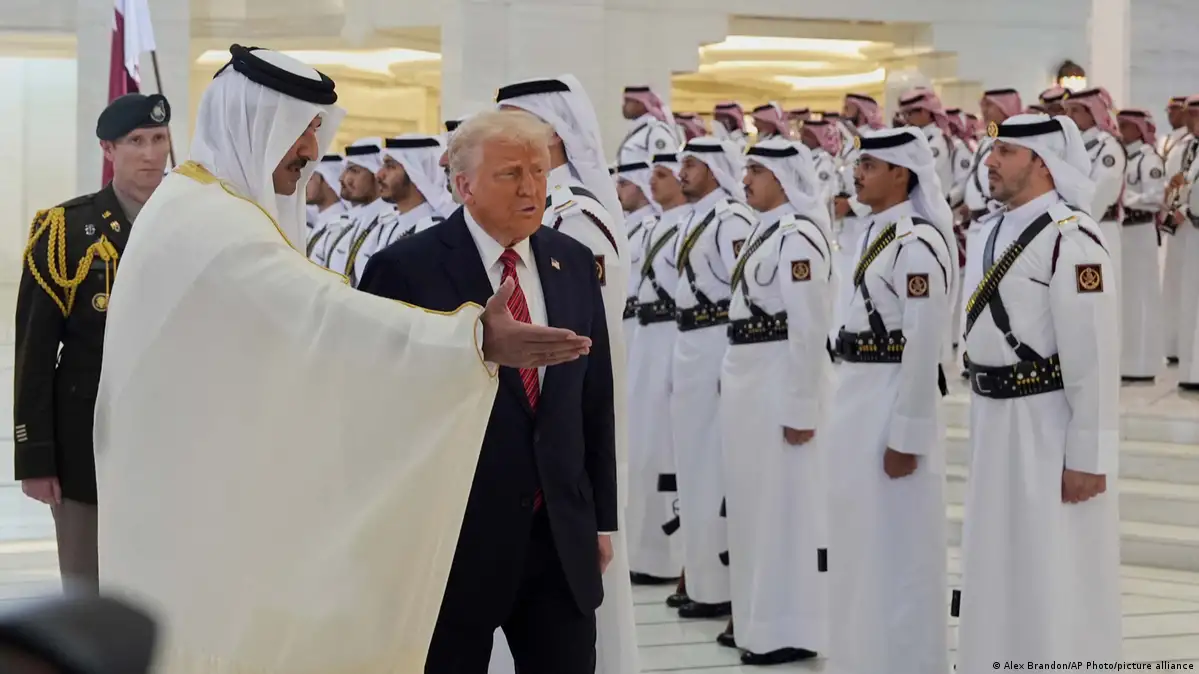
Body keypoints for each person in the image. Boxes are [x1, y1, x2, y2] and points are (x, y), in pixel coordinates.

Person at [93, 45, 592, 674]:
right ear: (257, 124)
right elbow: (324, 314)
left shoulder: (210, 207)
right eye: (301, 130)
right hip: (197, 484)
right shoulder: (208, 222)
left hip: (215, 472)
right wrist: (470, 339)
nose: (311, 151)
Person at [359, 108, 616, 674]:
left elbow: (593, 396)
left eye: (539, 171)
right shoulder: (403, 269)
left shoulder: (571, 260)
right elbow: (377, 404)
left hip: (558, 536)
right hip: (453, 536)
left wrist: (599, 518)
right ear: (464, 185)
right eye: (510, 174)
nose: (530, 188)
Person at [956, 113, 1121, 670]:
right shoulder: (991, 229)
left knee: (1049, 565)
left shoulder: (1072, 238)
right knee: (996, 561)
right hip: (992, 417)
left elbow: (1094, 357)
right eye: (992, 151)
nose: (991, 162)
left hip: (1045, 423)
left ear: (1043, 163)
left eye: (1005, 152)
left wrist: (1089, 457)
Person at [493, 74, 639, 674]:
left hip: (559, 435)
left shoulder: (576, 218)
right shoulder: (523, 209)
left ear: (553, 137)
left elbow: (581, 350)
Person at [14, 92, 171, 594]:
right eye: (136, 141)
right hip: (86, 436)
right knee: (89, 586)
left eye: (159, 139)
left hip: (173, 432)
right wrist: (36, 457)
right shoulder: (67, 230)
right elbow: (35, 351)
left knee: (167, 583)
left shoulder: (191, 221)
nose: (151, 154)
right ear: (108, 149)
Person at [825, 126, 955, 674]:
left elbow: (924, 345)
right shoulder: (876, 233)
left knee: (898, 544)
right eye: (858, 164)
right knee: (861, 537)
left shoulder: (916, 243)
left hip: (888, 400)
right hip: (858, 394)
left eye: (870, 166)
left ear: (901, 174)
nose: (857, 174)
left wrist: (908, 434)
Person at [720, 139, 832, 666]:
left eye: (757, 171)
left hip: (777, 381)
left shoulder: (798, 236)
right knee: (752, 503)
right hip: (749, 379)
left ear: (784, 179)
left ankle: (791, 628)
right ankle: (755, 620)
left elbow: (808, 328)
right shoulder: (764, 231)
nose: (746, 179)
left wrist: (801, 405)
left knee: (784, 506)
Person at [670, 136, 756, 621]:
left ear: (715, 169)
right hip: (689, 344)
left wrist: (731, 360)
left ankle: (719, 583)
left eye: (692, 164)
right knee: (693, 465)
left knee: (712, 466)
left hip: (715, 343)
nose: (682, 172)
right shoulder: (696, 218)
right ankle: (700, 574)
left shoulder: (731, 220)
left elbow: (744, 295)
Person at [625, 152, 689, 590]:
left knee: (667, 445)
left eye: (663, 175)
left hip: (674, 337)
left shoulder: (689, 226)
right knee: (643, 444)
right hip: (644, 338)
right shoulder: (652, 226)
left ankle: (670, 556)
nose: (653, 183)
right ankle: (644, 549)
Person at [959, 88, 1022, 375]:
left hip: (996, 224)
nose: (984, 112)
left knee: (988, 295)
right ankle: (970, 355)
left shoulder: (1011, 143)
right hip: (977, 226)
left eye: (990, 107)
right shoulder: (987, 140)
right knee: (972, 293)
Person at [1064, 88, 1126, 341]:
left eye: (1076, 111)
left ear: (1094, 112)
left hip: (1098, 229)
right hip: (1072, 230)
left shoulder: (1108, 147)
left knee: (1098, 297)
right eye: (1067, 111)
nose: (1070, 116)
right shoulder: (1073, 146)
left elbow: (1103, 190)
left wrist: (1075, 221)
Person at [1116, 108, 1166, 382]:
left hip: (1140, 231)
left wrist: (1125, 199)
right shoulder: (1123, 157)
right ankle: (1126, 360)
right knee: (1125, 296)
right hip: (1123, 232)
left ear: (1138, 129)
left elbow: (1156, 198)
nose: (1121, 130)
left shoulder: (1148, 159)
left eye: (1125, 125)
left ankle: (1143, 363)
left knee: (1142, 296)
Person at [323, 137, 398, 285]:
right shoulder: (359, 219)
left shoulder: (389, 221)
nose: (343, 179)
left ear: (375, 174)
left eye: (354, 171)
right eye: (346, 171)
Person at [1162, 96, 1195, 365]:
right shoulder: (1185, 146)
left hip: (1193, 220)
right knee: (1178, 288)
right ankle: (1178, 349)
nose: (1191, 120)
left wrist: (1187, 207)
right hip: (1181, 225)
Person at [373, 135, 451, 248]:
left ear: (415, 172)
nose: (379, 175)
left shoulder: (436, 230)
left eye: (390, 166)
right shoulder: (390, 227)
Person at [617, 85, 679, 164]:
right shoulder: (640, 130)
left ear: (641, 103)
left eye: (627, 101)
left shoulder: (656, 130)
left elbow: (665, 165)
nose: (623, 105)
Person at [304, 153, 347, 262]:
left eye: (309, 178)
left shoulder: (341, 224)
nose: (303, 184)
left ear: (328, 180)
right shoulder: (319, 221)